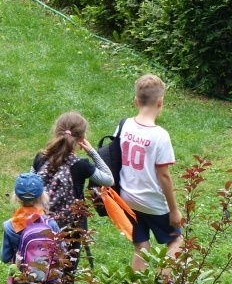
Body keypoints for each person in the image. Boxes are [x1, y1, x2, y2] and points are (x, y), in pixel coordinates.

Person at [33, 111, 114, 272]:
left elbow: (32, 183)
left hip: (40, 221)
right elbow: (108, 179)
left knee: (40, 266)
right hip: (72, 225)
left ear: (56, 132)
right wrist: (92, 152)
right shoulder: (80, 165)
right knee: (67, 271)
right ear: (81, 138)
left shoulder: (40, 158)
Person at [117, 74, 183, 271]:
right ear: (161, 102)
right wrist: (174, 210)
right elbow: (164, 175)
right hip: (153, 203)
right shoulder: (160, 136)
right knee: (177, 241)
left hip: (127, 198)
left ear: (136, 101)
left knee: (141, 246)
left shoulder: (124, 125)